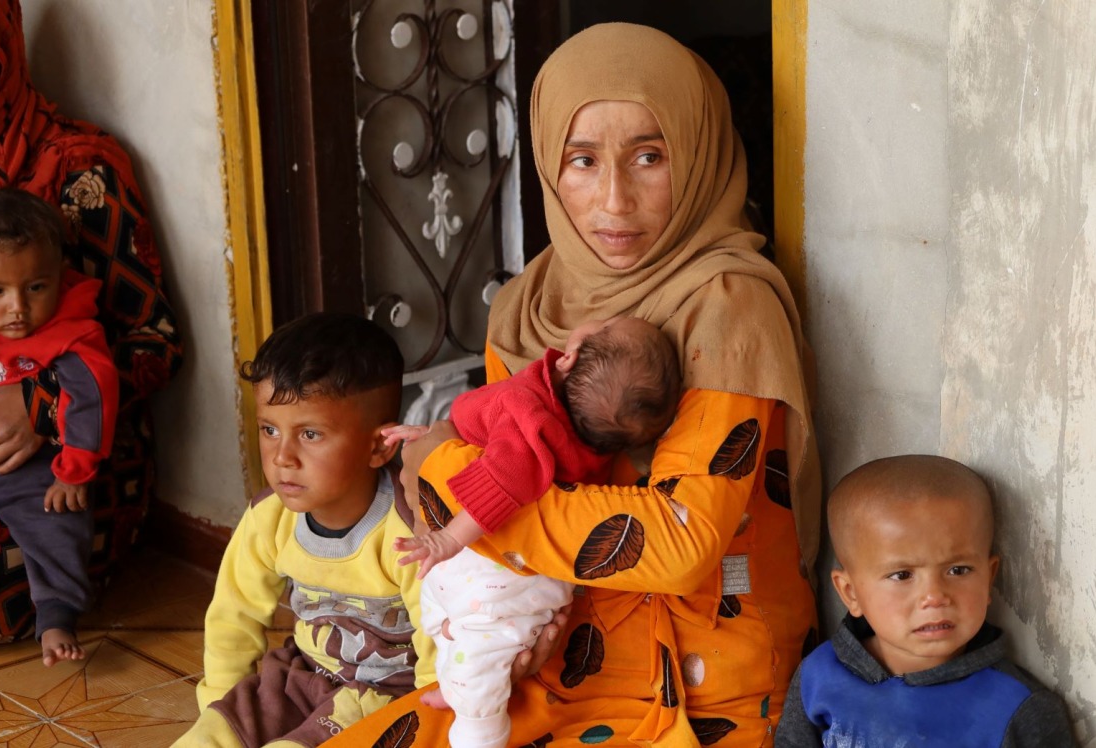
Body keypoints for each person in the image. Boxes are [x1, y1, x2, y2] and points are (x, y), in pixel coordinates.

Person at [329, 22, 820, 747]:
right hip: (547, 651)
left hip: (695, 684)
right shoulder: (529, 304)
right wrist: (514, 612)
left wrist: (441, 468)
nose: (614, 200)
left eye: (650, 156)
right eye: (582, 160)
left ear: (700, 153)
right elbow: (474, 511)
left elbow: (681, 544)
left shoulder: (726, 305)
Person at [0, 0, 182, 648]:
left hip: (70, 460)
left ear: (4, 51)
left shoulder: (80, 168)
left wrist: (41, 402)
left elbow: (157, 343)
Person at [383, 315, 681, 748]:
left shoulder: (531, 415)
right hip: (520, 573)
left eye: (603, 326)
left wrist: (446, 538)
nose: (596, 318)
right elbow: (482, 436)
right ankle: (458, 686)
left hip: (490, 572)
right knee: (451, 625)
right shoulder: (584, 436)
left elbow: (504, 479)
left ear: (570, 358)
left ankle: (479, 733)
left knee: (475, 641)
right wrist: (434, 437)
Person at [176, 313, 433, 747]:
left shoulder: (410, 529)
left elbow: (437, 646)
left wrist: (433, 724)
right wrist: (224, 706)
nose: (281, 457)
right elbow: (232, 619)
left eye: (310, 434)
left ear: (378, 446)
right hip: (301, 676)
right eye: (270, 430)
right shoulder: (269, 518)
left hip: (388, 696)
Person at [775, 456, 1077, 747]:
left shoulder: (1016, 707)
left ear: (988, 578)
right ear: (851, 593)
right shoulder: (819, 676)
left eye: (958, 570)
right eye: (902, 575)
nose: (934, 596)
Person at [0, 187, 117, 666]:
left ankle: (56, 616)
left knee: (58, 520)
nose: (18, 308)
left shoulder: (71, 331)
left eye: (37, 287)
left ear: (60, 278)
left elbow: (94, 397)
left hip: (33, 471)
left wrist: (74, 470)